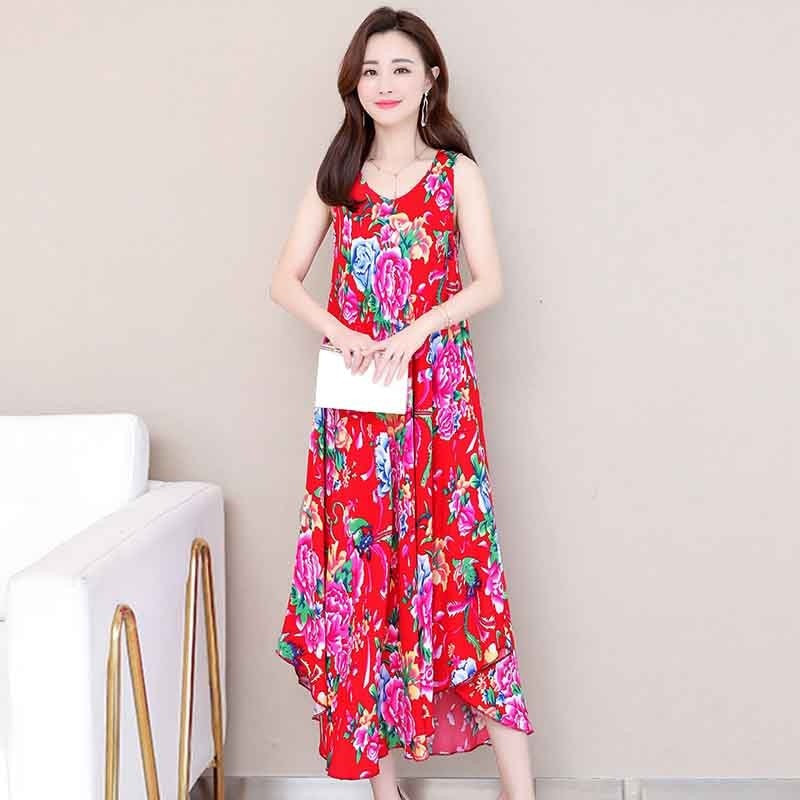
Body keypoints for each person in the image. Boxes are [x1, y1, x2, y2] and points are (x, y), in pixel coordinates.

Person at [270, 7, 537, 800]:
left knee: (463, 577)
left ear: (430, 80)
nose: (384, 83)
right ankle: (383, 791)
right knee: (363, 586)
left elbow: (490, 282)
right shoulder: (338, 176)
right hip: (359, 411)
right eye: (371, 70)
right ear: (354, 83)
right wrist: (341, 329)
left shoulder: (456, 173)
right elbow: (283, 281)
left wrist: (417, 329)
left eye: (401, 68)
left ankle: (521, 792)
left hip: (440, 402)